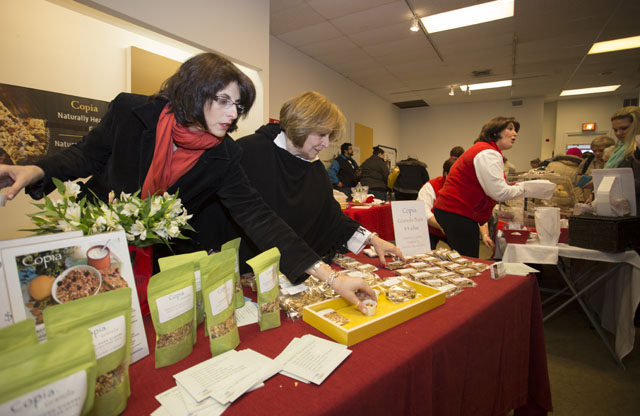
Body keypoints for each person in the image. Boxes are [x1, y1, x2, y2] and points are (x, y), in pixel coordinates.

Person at [0, 53, 374, 313]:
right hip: (95, 240)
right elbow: (87, 155)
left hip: (161, 256)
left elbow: (259, 216)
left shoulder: (224, 155)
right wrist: (37, 170)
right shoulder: (132, 112)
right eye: (223, 101)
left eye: (238, 106)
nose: (232, 114)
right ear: (193, 93)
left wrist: (329, 277)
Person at [210, 91, 403, 278]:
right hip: (249, 271)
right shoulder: (248, 152)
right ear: (299, 127)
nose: (326, 144)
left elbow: (332, 217)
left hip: (298, 269)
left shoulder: (314, 166)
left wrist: (372, 239)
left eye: (328, 136)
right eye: (321, 135)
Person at [433, 116, 553, 257]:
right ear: (495, 132)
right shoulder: (488, 153)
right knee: (468, 259)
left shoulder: (484, 150)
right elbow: (499, 193)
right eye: (510, 128)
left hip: (453, 210)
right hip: (457, 211)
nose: (515, 133)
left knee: (464, 257)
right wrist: (529, 188)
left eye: (515, 130)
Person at [418, 158, 493, 251]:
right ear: (446, 174)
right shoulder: (431, 186)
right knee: (427, 253)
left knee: (464, 253)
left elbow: (479, 212)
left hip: (455, 229)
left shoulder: (468, 187)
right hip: (432, 228)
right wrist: (441, 226)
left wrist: (485, 235)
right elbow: (423, 211)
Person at [606, 106, 640, 212]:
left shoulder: (636, 151)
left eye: (624, 128)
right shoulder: (617, 151)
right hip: (621, 209)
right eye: (615, 130)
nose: (618, 133)